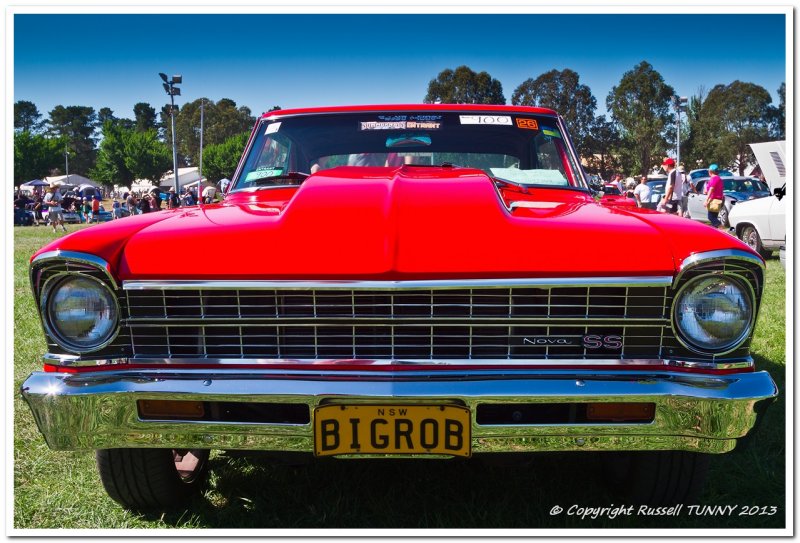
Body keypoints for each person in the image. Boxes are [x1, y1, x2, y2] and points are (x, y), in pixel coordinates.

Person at [704, 163, 726, 229]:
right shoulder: (715, 178)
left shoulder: (715, 178)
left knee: (711, 217)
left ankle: (721, 227)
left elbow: (712, 189)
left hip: (715, 200)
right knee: (714, 217)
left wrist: (706, 200)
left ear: (710, 171)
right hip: (715, 199)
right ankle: (716, 232)